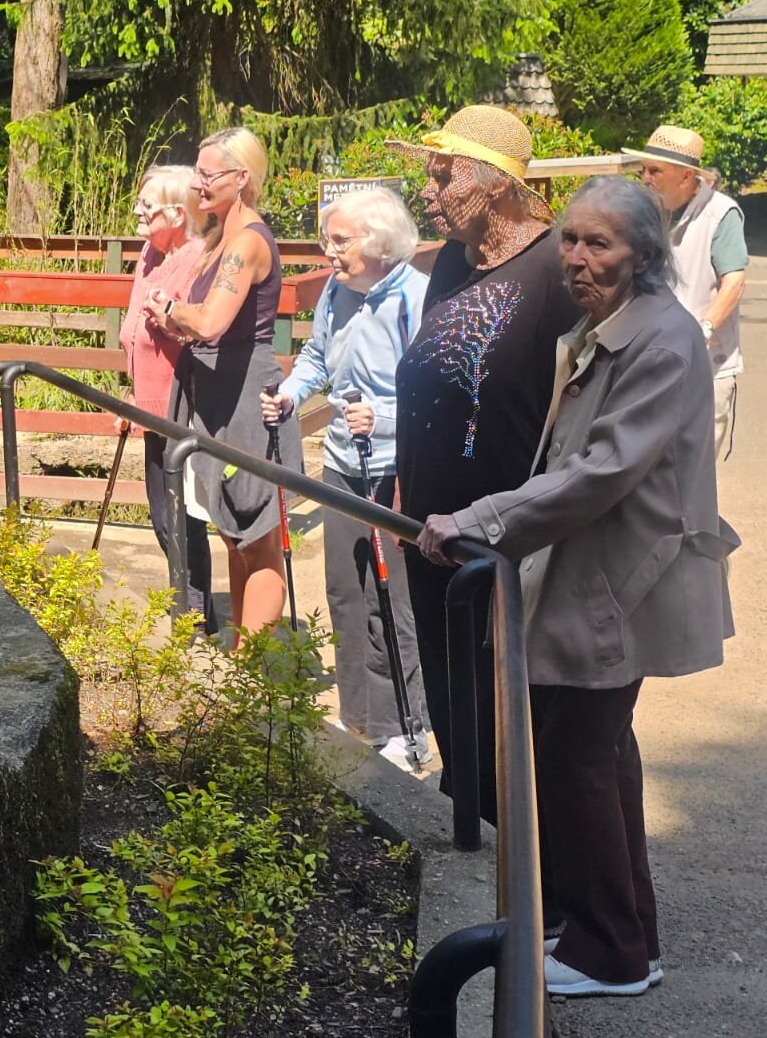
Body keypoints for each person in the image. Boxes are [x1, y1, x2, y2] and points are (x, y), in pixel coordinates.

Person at [417, 176, 737, 997]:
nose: (577, 257)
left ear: (644, 255)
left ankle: (612, 953)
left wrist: (478, 519)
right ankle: (616, 933)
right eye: (570, 239)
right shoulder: (610, 326)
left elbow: (601, 471)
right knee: (592, 753)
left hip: (624, 583)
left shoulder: (661, 340)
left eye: (600, 243)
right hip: (594, 576)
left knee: (579, 757)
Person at [389, 105, 580, 824]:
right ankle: (467, 824)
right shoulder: (450, 261)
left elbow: (576, 408)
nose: (428, 191)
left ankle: (518, 852)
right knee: (450, 690)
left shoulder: (558, 270)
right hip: (427, 525)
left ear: (497, 184)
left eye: (444, 177)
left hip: (502, 534)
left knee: (505, 701)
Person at [260, 187, 429, 768]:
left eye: (339, 241)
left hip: (392, 469)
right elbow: (316, 357)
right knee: (344, 589)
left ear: (379, 244)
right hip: (340, 461)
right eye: (326, 240)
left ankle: (405, 727)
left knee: (392, 601)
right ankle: (358, 716)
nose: (328, 252)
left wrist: (383, 418)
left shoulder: (414, 297)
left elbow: (435, 394)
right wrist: (289, 395)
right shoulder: (337, 290)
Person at [141, 127, 301, 639]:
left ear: (242, 177)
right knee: (232, 532)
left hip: (244, 397)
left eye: (209, 175)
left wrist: (172, 309)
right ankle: (240, 657)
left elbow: (210, 321)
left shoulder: (247, 242)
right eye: (198, 173)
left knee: (258, 537)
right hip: (212, 392)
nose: (198, 184)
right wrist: (174, 319)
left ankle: (252, 662)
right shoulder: (217, 238)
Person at [117, 165, 218, 634]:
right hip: (149, 404)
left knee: (180, 515)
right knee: (162, 514)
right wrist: (131, 392)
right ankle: (190, 604)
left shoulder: (195, 259)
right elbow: (135, 331)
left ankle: (194, 614)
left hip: (180, 407)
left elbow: (198, 331)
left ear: (178, 214)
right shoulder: (149, 254)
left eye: (148, 205)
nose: (138, 211)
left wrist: (169, 319)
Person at [624, 125, 747, 460]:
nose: (645, 178)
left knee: (695, 467)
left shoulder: (720, 214)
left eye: (655, 171)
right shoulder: (646, 211)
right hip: (650, 359)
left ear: (686, 177)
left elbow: (734, 282)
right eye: (643, 169)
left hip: (706, 365)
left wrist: (701, 332)